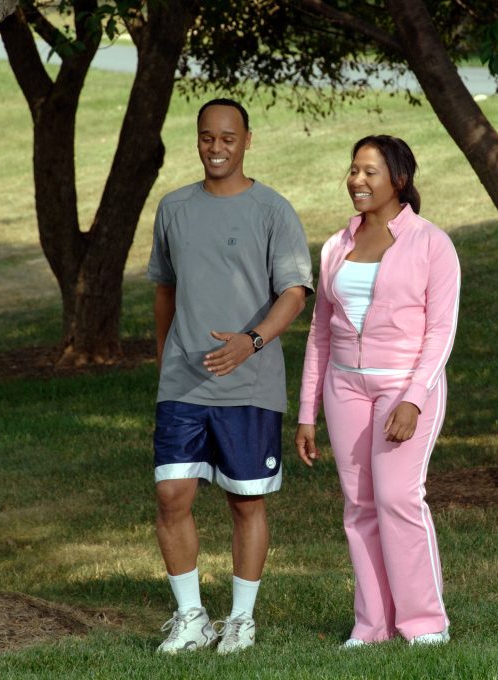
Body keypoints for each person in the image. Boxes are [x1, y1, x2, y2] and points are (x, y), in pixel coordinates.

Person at [147, 98, 312, 655]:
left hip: (250, 384)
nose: (216, 148)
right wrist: (164, 356)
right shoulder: (172, 208)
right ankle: (191, 617)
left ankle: (240, 620)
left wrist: (252, 342)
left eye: (227, 138)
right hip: (183, 385)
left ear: (247, 139)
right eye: (206, 138)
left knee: (245, 501)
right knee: (171, 495)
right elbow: (164, 288)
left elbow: (294, 293)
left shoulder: (273, 210)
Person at [295, 135, 460, 647]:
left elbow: (440, 331)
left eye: (369, 172)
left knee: (397, 498)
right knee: (359, 505)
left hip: (405, 387)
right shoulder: (335, 247)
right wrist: (306, 412)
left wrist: (413, 398)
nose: (357, 181)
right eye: (353, 171)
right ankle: (372, 625)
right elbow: (320, 332)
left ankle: (425, 623)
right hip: (344, 387)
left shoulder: (432, 242)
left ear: (399, 180)